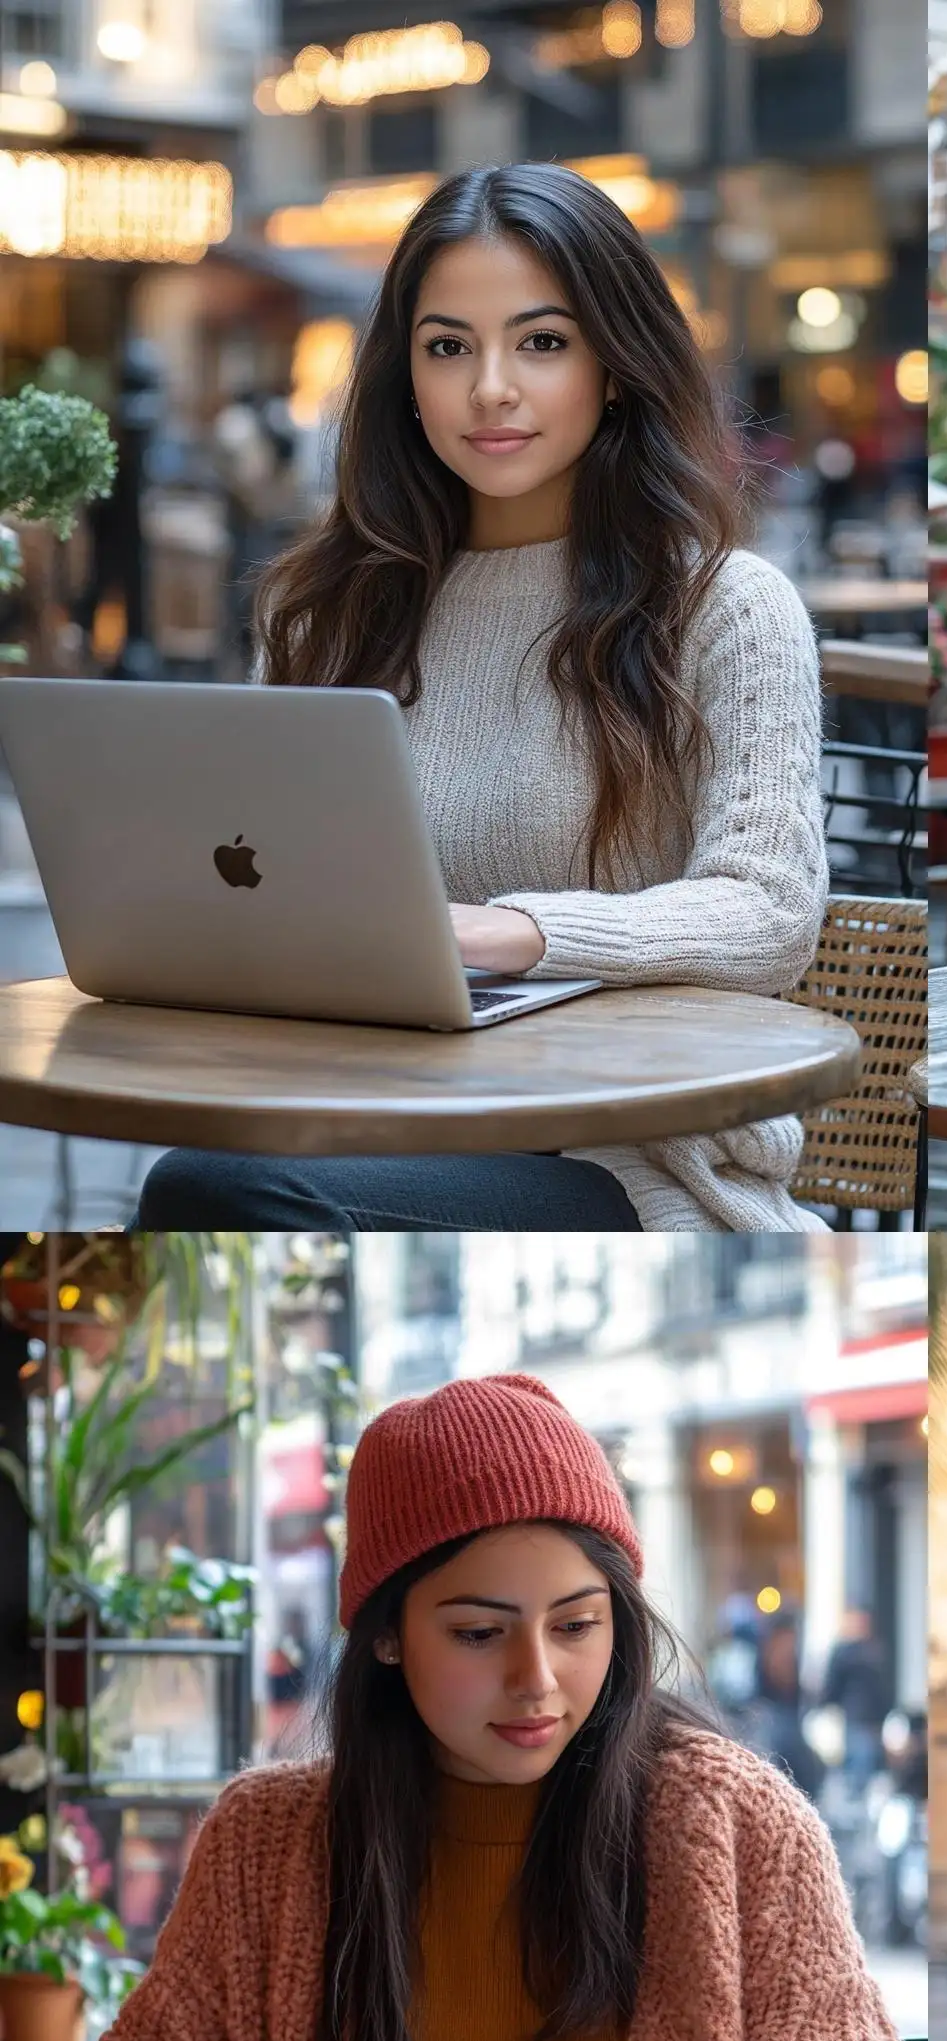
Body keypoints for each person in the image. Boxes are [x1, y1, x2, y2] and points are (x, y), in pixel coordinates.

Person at [58, 1374, 923, 2041]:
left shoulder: (741, 1826)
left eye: (577, 1625)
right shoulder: (268, 1845)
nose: (538, 1681)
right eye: (479, 1633)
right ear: (386, 1636)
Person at [132, 161, 828, 1237]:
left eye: (541, 343)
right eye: (447, 345)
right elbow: (260, 882)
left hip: (626, 1164)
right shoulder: (322, 611)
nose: (489, 387)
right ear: (403, 374)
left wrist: (512, 933)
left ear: (615, 363)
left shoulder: (725, 606)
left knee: (212, 1192)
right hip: (372, 1119)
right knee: (216, 1178)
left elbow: (769, 912)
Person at [735, 1608, 824, 1802]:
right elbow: (779, 1679)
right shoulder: (780, 1649)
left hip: (782, 1718)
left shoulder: (771, 1648)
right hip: (776, 1717)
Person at [821, 1608, 892, 1790]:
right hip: (858, 1717)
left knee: (860, 1766)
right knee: (858, 1766)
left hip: (863, 1718)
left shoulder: (860, 1651)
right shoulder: (862, 1652)